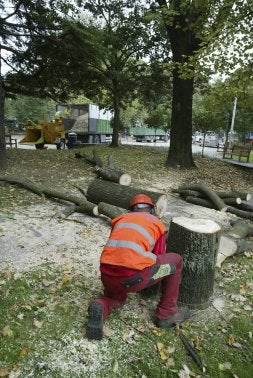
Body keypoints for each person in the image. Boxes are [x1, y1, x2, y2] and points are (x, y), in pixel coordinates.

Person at [86, 194, 190, 340]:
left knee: (117, 299)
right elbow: (158, 256)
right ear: (152, 210)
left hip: (107, 275)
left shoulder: (120, 220)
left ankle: (101, 305)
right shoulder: (156, 223)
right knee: (176, 261)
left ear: (131, 210)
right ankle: (167, 313)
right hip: (134, 277)